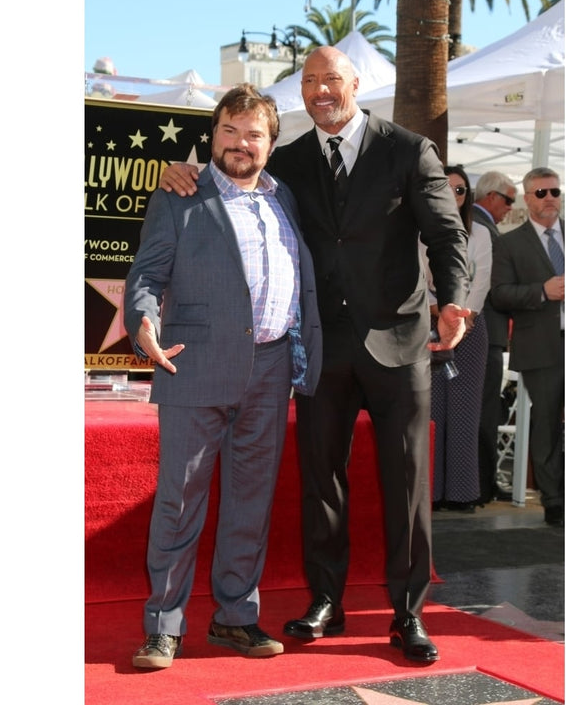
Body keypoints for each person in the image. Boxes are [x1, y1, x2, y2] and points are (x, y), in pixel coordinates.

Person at [160, 46, 470, 663]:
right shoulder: (290, 161)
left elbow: (445, 233)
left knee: (406, 481)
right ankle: (325, 599)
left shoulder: (409, 150)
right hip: (320, 347)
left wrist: (455, 299)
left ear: (356, 82)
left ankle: (407, 614)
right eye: (309, 82)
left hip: (400, 343)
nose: (320, 91)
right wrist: (175, 169)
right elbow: (232, 175)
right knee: (321, 482)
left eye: (331, 79)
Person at [124, 84, 323, 669]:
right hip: (192, 364)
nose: (241, 144)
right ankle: (163, 626)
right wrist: (143, 322)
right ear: (212, 137)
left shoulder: (285, 196)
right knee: (179, 501)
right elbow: (147, 274)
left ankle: (236, 618)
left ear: (271, 142)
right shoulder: (180, 193)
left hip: (270, 368)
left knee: (250, 502)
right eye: (230, 132)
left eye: (254, 134)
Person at [489, 166, 564, 526]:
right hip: (541, 348)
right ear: (526, 198)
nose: (549, 198)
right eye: (541, 193)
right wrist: (541, 292)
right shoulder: (509, 242)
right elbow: (500, 294)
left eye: (554, 191)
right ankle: (555, 501)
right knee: (547, 424)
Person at [426, 166, 491, 512]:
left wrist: (464, 317)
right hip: (426, 327)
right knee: (431, 412)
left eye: (461, 190)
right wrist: (436, 310)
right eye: (447, 188)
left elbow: (481, 284)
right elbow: (414, 280)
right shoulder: (418, 231)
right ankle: (431, 493)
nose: (454, 195)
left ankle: (462, 493)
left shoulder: (480, 234)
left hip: (470, 328)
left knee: (466, 414)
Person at [470, 171, 518, 504]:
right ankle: (481, 484)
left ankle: (475, 484)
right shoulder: (484, 230)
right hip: (483, 333)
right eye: (509, 200)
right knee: (483, 413)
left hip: (477, 331)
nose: (510, 208)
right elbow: (498, 292)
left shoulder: (476, 225)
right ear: (491, 197)